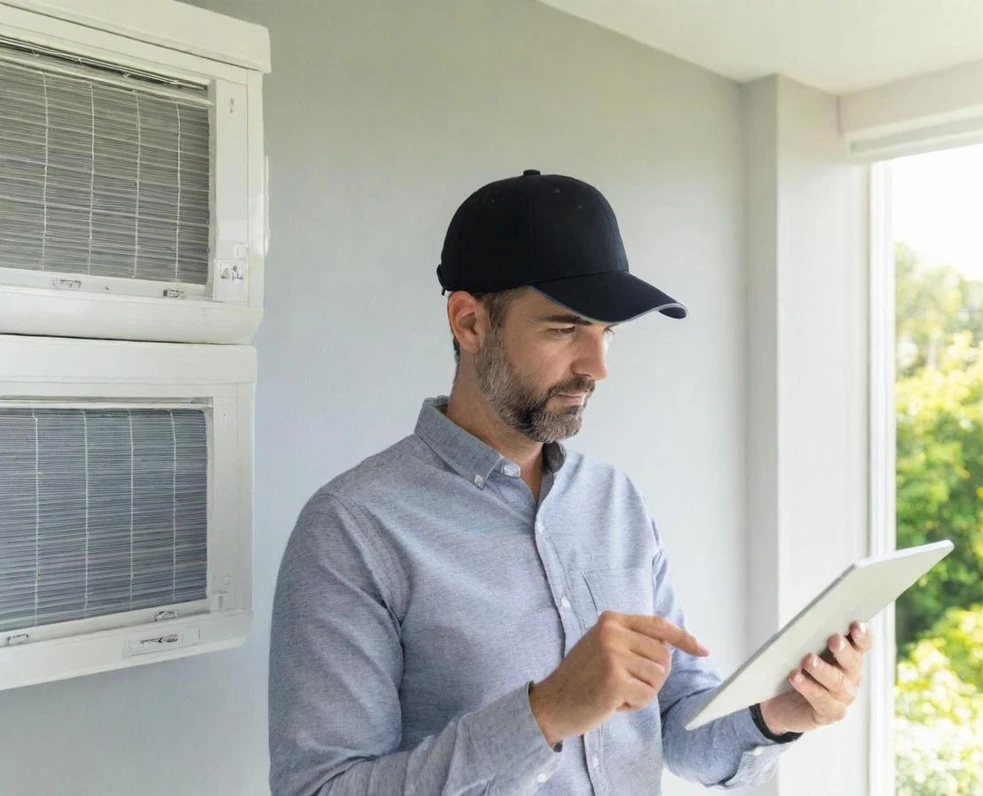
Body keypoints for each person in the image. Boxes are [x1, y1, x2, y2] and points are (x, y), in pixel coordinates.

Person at [268, 170, 873, 795]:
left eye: (606, 333)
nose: (598, 367)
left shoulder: (615, 502)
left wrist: (775, 716)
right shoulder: (353, 527)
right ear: (470, 323)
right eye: (564, 330)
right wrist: (545, 714)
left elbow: (672, 723)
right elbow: (319, 789)